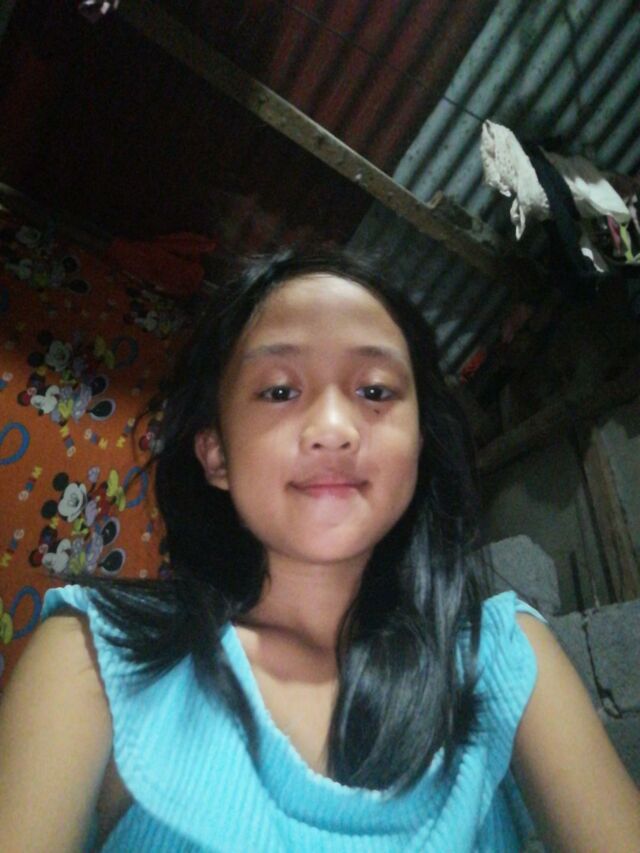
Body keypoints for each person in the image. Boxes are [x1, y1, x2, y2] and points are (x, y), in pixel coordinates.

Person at [0, 247, 638, 852]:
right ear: (215, 455)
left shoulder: (505, 655)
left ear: (419, 443)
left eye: (376, 391)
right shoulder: (96, 655)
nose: (333, 430)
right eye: (279, 390)